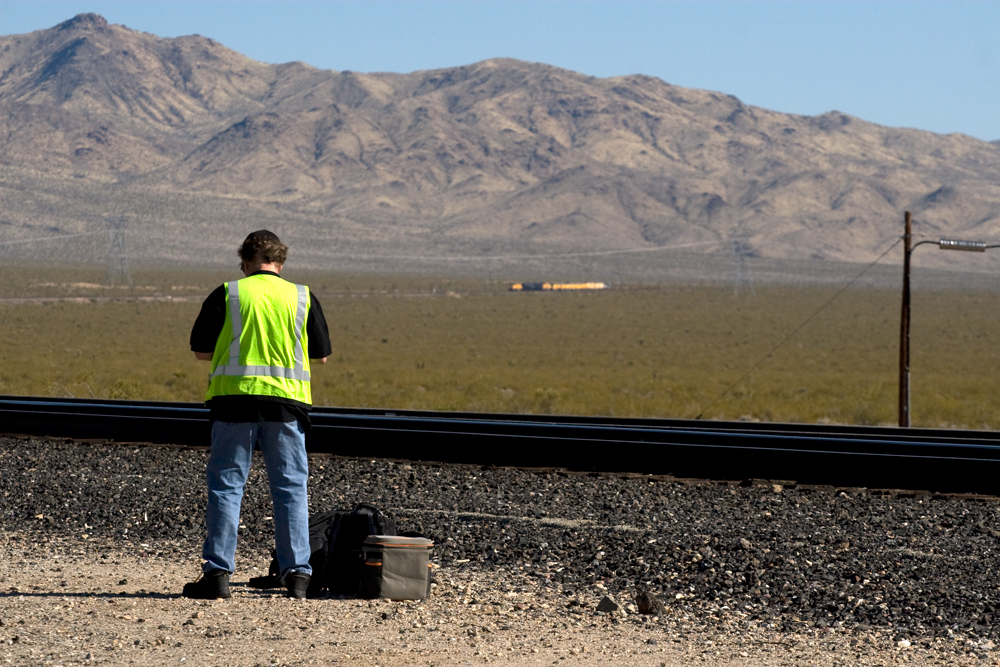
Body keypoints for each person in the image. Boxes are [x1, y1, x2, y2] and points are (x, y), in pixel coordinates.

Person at [184, 230, 332, 599]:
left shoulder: (229, 293)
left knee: (226, 488)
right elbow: (322, 354)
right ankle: (297, 574)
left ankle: (217, 574)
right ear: (280, 263)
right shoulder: (301, 296)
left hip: (234, 403)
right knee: (290, 490)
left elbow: (201, 351)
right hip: (285, 406)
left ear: (245, 262)